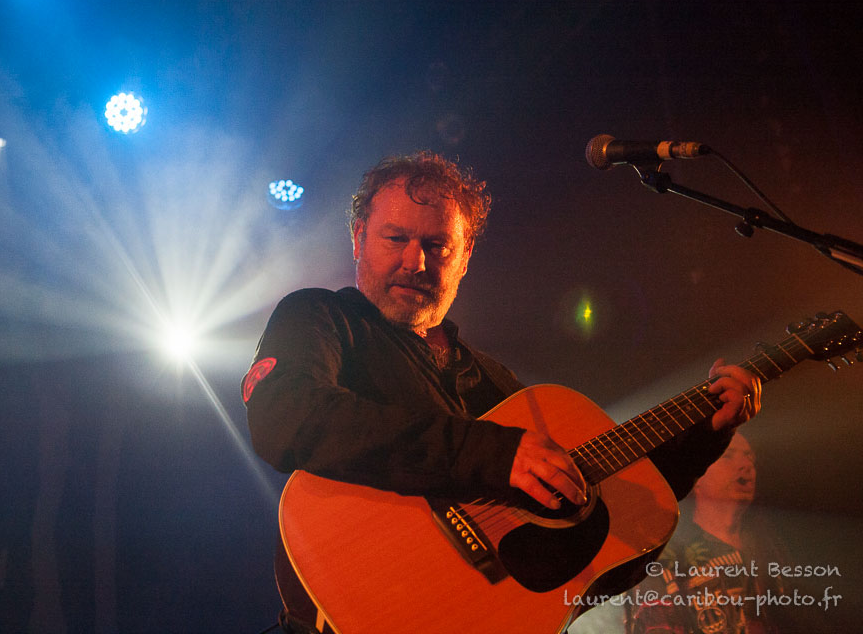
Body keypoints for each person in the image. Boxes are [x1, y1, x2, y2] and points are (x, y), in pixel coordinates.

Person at [242, 151, 761, 632]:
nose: (415, 262)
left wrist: (702, 438)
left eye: (437, 246)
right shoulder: (321, 316)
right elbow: (287, 416)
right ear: (359, 238)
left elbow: (614, 519)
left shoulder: (494, 382)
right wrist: (494, 453)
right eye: (395, 239)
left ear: (465, 256)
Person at [624, 433, 789, 634]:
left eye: (749, 457)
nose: (746, 465)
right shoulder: (666, 556)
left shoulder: (770, 548)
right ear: (698, 475)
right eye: (728, 456)